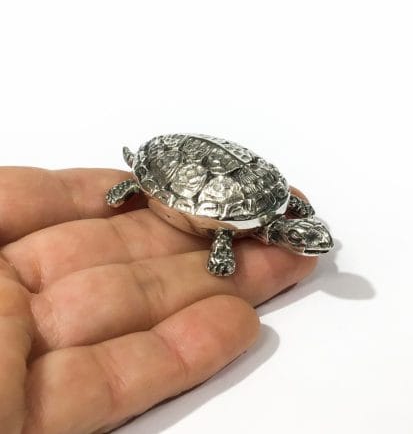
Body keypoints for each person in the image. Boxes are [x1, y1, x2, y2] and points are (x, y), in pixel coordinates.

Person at [0, 167, 317, 434]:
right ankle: (140, 180)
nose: (312, 245)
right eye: (306, 239)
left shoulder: (277, 210)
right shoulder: (238, 224)